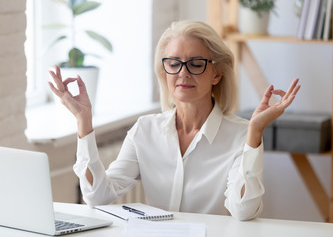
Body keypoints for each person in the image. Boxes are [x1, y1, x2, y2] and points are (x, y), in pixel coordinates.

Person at [49, 20, 300, 221]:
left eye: (195, 63)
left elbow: (243, 211)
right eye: (174, 63)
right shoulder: (145, 130)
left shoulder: (241, 134)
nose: (183, 73)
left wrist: (255, 132)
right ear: (164, 70)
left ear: (216, 74)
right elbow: (98, 196)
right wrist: (84, 121)